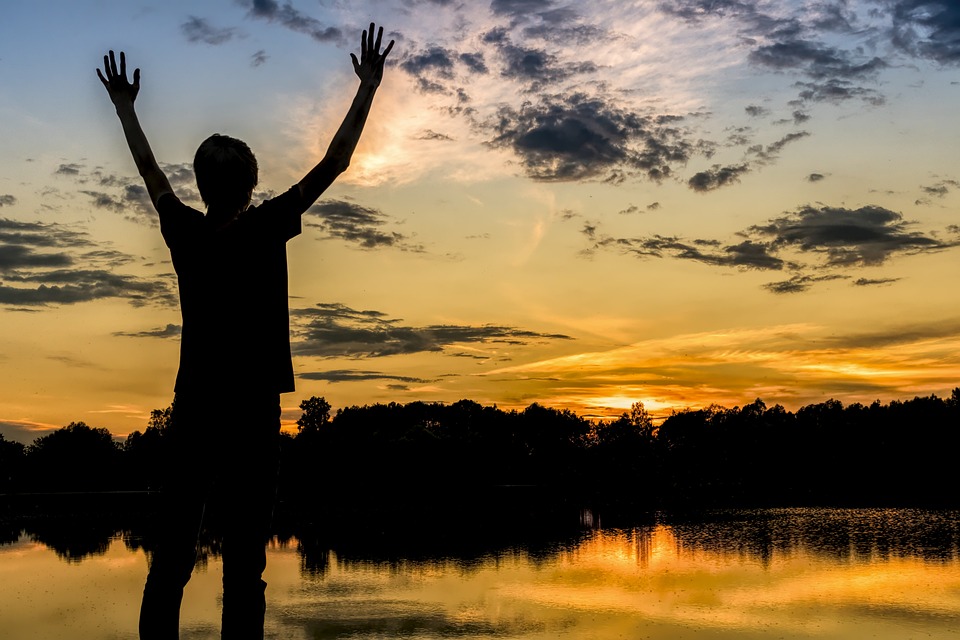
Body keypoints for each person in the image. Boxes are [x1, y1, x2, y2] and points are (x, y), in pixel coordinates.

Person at [98, 23, 394, 640]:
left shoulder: (184, 231)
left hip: (197, 407)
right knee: (245, 572)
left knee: (172, 562)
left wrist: (125, 107)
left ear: (202, 186)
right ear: (253, 184)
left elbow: (150, 171)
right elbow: (335, 162)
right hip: (253, 411)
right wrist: (366, 88)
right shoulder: (269, 226)